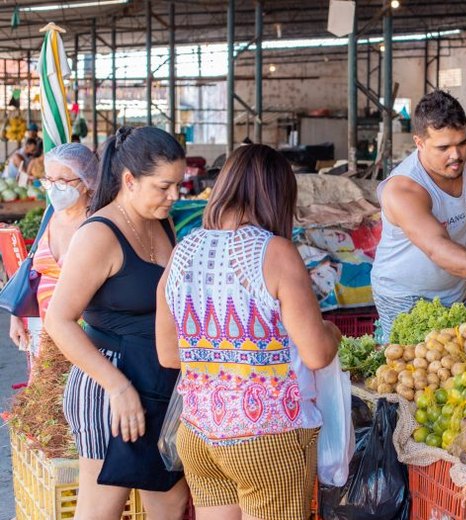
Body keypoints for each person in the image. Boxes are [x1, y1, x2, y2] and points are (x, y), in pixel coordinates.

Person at [156, 144, 340, 520]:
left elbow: (169, 355)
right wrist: (332, 331)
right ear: (278, 195)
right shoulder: (275, 252)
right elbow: (317, 353)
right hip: (267, 435)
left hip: (199, 432)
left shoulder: (183, 250)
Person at [45, 126, 188, 519]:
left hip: (156, 384)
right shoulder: (99, 234)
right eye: (164, 186)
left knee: (171, 502)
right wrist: (117, 386)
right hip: (109, 388)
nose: (174, 196)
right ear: (129, 180)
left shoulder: (161, 222)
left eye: (179, 185)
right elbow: (58, 320)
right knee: (102, 508)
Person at [371, 90, 466, 341]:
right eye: (443, 147)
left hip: (457, 286)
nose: (457, 155)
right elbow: (437, 248)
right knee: (409, 371)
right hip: (404, 295)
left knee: (459, 361)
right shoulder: (404, 190)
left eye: (462, 142)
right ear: (419, 143)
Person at [8, 143, 99, 359]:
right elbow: (33, 272)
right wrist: (18, 316)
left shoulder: (98, 224)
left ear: (86, 182)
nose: (54, 188)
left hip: (84, 340)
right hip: (42, 336)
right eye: (49, 180)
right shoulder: (50, 215)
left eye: (63, 181)